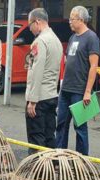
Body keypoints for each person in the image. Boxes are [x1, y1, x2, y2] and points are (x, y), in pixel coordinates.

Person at [55, 6, 100, 155]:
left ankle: (82, 160)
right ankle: (59, 156)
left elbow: (93, 66)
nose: (70, 22)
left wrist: (88, 91)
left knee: (80, 127)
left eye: (72, 19)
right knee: (61, 124)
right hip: (66, 89)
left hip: (80, 91)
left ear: (81, 20)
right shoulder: (72, 37)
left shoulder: (91, 38)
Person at [25, 8, 63, 155]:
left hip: (39, 97)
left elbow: (36, 71)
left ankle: (36, 172)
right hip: (52, 95)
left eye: (30, 25)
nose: (30, 29)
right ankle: (51, 169)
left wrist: (32, 100)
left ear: (37, 21)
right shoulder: (56, 40)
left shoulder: (40, 41)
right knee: (49, 136)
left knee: (36, 137)